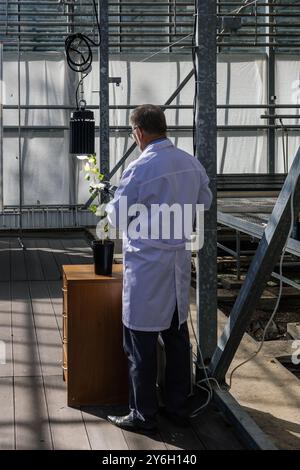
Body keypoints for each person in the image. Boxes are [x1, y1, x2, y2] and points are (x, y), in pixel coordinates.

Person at [105, 104, 212, 432]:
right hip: (176, 262)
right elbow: (204, 202)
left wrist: (116, 202)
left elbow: (116, 217)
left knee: (140, 342)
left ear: (138, 131)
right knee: (176, 338)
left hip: (147, 266)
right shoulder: (190, 164)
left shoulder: (140, 168)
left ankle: (144, 414)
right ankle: (177, 406)